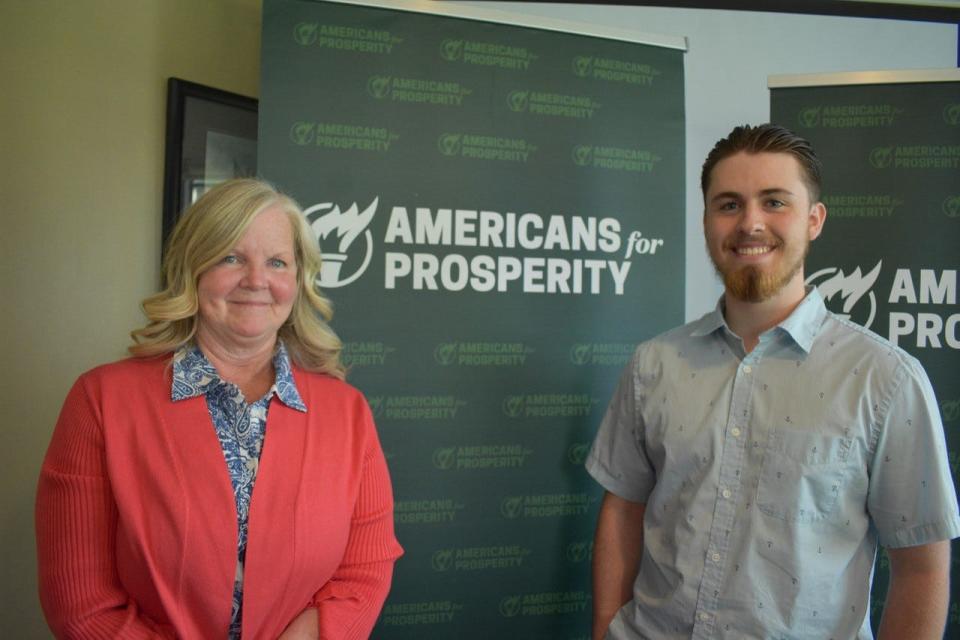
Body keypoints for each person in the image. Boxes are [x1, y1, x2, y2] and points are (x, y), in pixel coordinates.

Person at [587, 124, 959, 640]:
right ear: (707, 222)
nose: (750, 223)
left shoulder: (886, 380)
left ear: (814, 220)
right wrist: (605, 628)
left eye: (775, 202)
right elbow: (623, 509)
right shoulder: (655, 364)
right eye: (729, 204)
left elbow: (921, 567)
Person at [36, 178, 403, 639]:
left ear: (298, 279)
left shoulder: (347, 411)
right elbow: (82, 604)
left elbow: (363, 571)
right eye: (230, 257)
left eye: (276, 262)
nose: (256, 280)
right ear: (193, 270)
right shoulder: (101, 402)